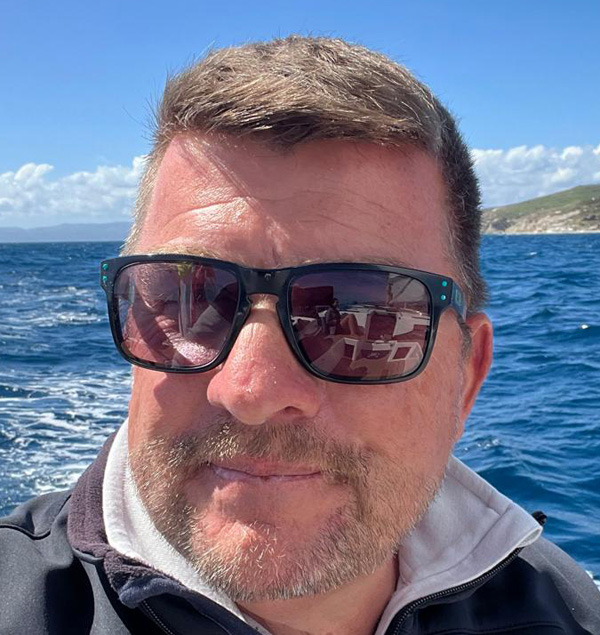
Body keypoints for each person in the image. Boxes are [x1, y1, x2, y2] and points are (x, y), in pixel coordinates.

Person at [1, 36, 598, 635]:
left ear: (464, 380)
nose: (252, 392)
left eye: (362, 310)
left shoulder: (568, 613)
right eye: (191, 299)